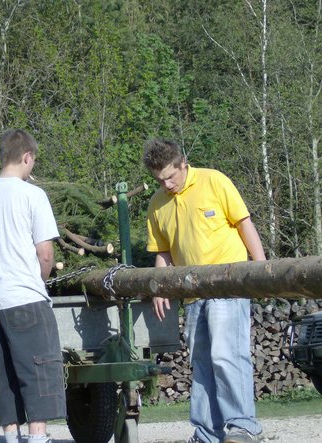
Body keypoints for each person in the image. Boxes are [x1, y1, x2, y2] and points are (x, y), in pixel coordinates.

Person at [143, 139, 265, 443]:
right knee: (202, 363)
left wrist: (262, 270)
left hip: (229, 285)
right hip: (192, 294)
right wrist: (159, 287)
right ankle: (207, 433)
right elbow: (164, 253)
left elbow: (244, 224)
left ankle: (242, 427)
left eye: (171, 176)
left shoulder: (214, 180)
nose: (167, 184)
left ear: (183, 163)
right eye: (160, 180)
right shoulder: (157, 203)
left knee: (227, 355)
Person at [0, 129, 66, 443]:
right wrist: (40, 280)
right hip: (25, 298)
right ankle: (38, 438)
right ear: (26, 157)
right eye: (32, 162)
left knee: (5, 374)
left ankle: (12, 437)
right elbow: (46, 253)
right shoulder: (32, 195)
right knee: (38, 369)